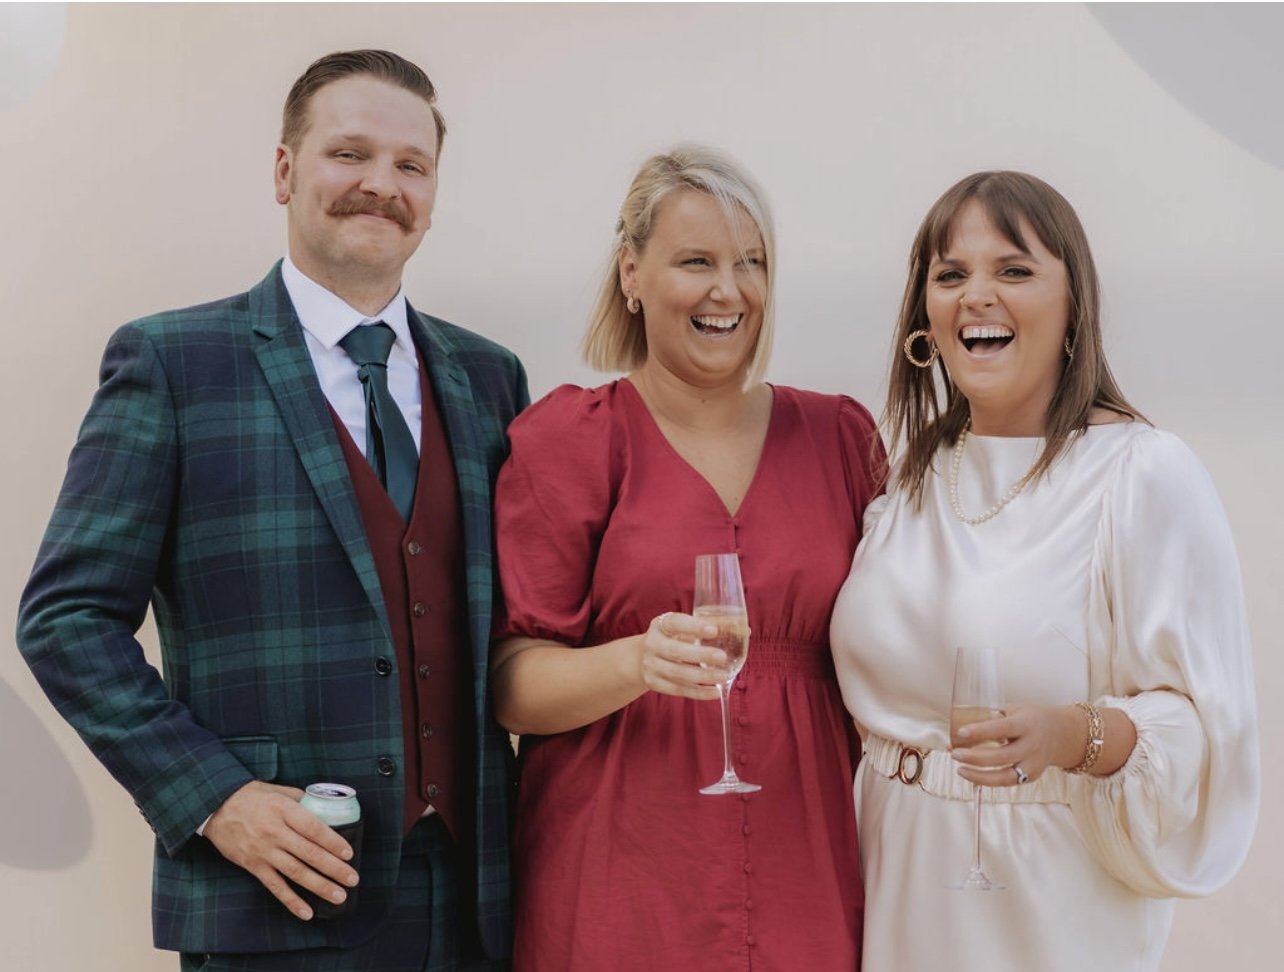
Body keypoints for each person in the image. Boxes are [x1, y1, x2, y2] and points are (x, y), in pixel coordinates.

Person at [16, 49, 527, 971]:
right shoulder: (172, 363)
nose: (382, 185)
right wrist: (216, 798)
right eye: (350, 154)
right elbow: (66, 620)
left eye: (411, 165)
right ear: (285, 171)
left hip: (473, 902)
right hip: (273, 894)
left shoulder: (491, 377)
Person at [829, 171, 1259, 971]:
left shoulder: (1140, 473)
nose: (976, 295)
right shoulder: (912, 473)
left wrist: (1073, 734)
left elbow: (1204, 733)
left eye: (1014, 270)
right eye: (951, 274)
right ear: (925, 318)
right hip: (890, 876)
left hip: (1041, 903)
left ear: (1073, 309)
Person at [490, 145, 883, 970]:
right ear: (631, 273)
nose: (728, 290)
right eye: (696, 261)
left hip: (804, 867)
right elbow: (512, 688)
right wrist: (635, 661)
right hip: (619, 874)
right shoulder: (571, 438)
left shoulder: (840, 439)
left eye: (751, 263)